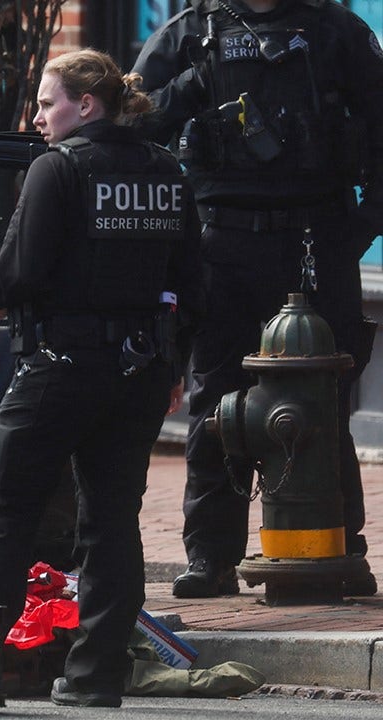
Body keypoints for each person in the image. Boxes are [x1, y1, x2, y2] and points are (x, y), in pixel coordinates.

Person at [0, 49, 200, 708]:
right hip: (140, 374)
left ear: (84, 105)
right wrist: (174, 364)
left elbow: (19, 278)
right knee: (111, 521)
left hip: (58, 369)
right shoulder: (168, 171)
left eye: (46, 102)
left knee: (5, 512)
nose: (37, 118)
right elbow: (193, 283)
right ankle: (97, 678)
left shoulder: (57, 169)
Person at [132, 0, 383, 599]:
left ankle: (334, 546)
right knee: (216, 405)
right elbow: (132, 130)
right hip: (221, 240)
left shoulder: (336, 31)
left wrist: (360, 229)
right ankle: (212, 558)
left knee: (322, 397)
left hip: (317, 237)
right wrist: (193, 85)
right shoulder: (190, 33)